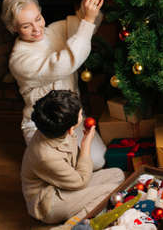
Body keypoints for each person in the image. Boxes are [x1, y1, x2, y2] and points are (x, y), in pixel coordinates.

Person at [1, 0, 107, 169]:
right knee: (64, 170)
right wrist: (87, 20)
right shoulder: (19, 60)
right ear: (13, 28)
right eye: (26, 26)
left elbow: (86, 25)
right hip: (43, 126)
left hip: (72, 119)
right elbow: (65, 63)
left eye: (38, 19)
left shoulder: (55, 31)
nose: (37, 29)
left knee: (98, 161)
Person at [21, 90, 125, 224]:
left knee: (118, 174)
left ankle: (86, 207)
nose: (82, 115)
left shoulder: (54, 128)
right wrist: (87, 142)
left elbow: (75, 167)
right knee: (111, 192)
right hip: (48, 202)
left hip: (64, 183)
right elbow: (80, 181)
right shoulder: (45, 156)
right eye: (80, 114)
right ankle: (72, 225)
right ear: (70, 129)